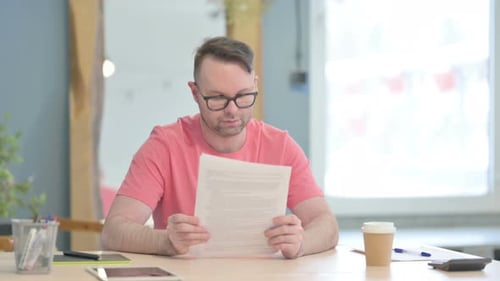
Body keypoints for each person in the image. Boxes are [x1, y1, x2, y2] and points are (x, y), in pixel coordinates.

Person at [101, 36, 339, 259]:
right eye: (217, 98)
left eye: (243, 95)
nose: (232, 110)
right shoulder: (164, 146)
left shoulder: (280, 146)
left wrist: (300, 243)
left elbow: (325, 224)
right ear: (195, 93)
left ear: (255, 85)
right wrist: (165, 241)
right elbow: (113, 231)